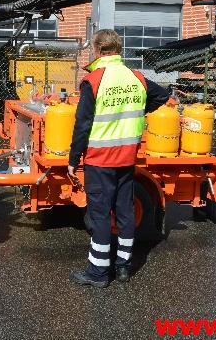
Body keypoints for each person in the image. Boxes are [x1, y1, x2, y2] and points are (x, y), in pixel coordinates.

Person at [68, 29, 169, 287]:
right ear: (118, 49)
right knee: (124, 211)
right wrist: (137, 110)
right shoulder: (136, 77)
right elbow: (162, 96)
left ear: (98, 50)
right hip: (126, 158)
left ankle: (98, 273)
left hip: (100, 160)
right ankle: (123, 266)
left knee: (100, 215)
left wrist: (73, 159)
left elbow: (82, 125)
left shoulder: (94, 81)